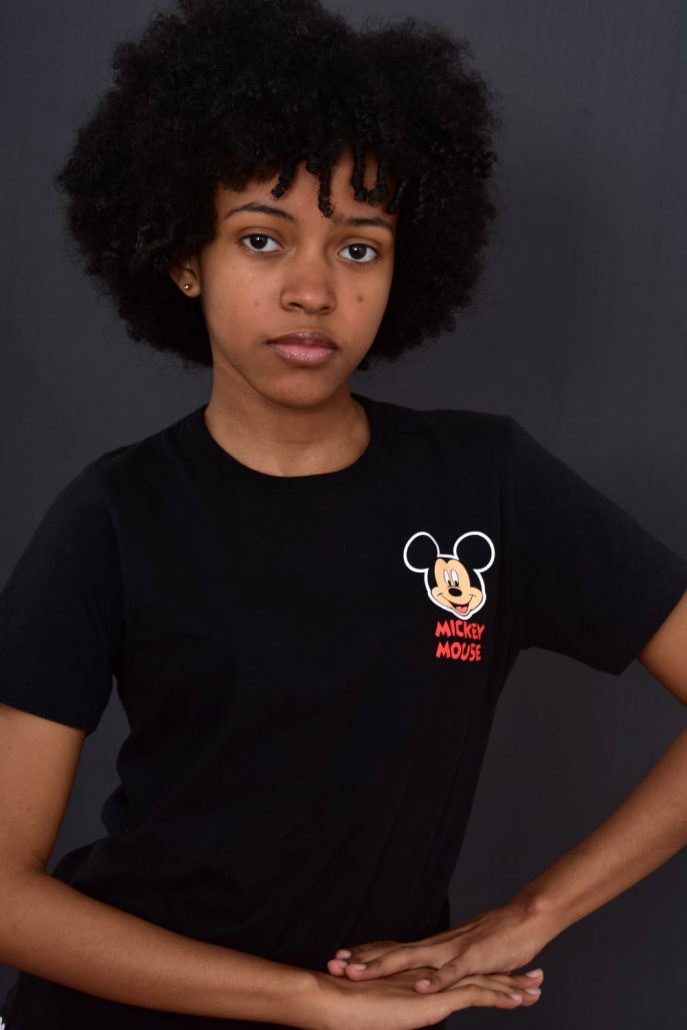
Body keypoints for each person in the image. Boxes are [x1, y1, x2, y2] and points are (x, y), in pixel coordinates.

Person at [0, 1, 686, 1028]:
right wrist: (304, 1001)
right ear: (184, 258)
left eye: (358, 248)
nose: (312, 290)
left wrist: (532, 913)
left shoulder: (488, 485)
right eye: (261, 239)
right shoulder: (113, 517)